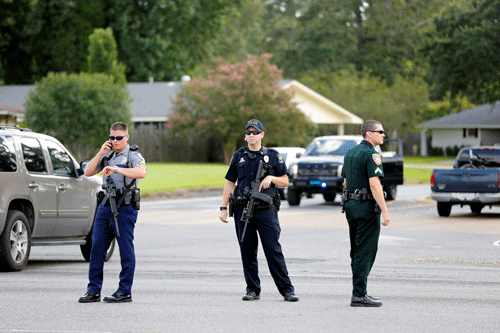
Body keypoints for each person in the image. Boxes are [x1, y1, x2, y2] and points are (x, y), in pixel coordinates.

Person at [219, 119, 299, 302]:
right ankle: (252, 289)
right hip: (243, 209)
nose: (251, 136)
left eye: (255, 132)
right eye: (248, 133)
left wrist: (271, 178)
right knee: (247, 250)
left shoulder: (273, 156)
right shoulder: (239, 156)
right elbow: (230, 182)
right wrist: (223, 208)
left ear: (262, 134)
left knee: (273, 250)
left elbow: (285, 181)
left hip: (265, 210)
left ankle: (287, 290)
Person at [78, 122, 147, 303]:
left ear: (126, 137)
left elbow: (141, 172)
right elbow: (87, 171)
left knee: (125, 248)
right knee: (97, 247)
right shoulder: (107, 155)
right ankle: (93, 290)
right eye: (112, 137)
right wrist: (101, 153)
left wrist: (116, 169)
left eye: (118, 138)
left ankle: (124, 291)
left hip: (125, 205)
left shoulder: (133, 155)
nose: (115, 141)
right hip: (106, 204)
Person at [341, 120, 390, 307]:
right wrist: (385, 211)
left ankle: (358, 290)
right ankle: (359, 294)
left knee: (356, 249)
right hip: (367, 208)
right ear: (369, 133)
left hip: (351, 206)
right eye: (380, 131)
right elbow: (374, 184)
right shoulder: (372, 154)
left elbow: (345, 182)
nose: (383, 134)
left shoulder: (351, 153)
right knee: (366, 251)